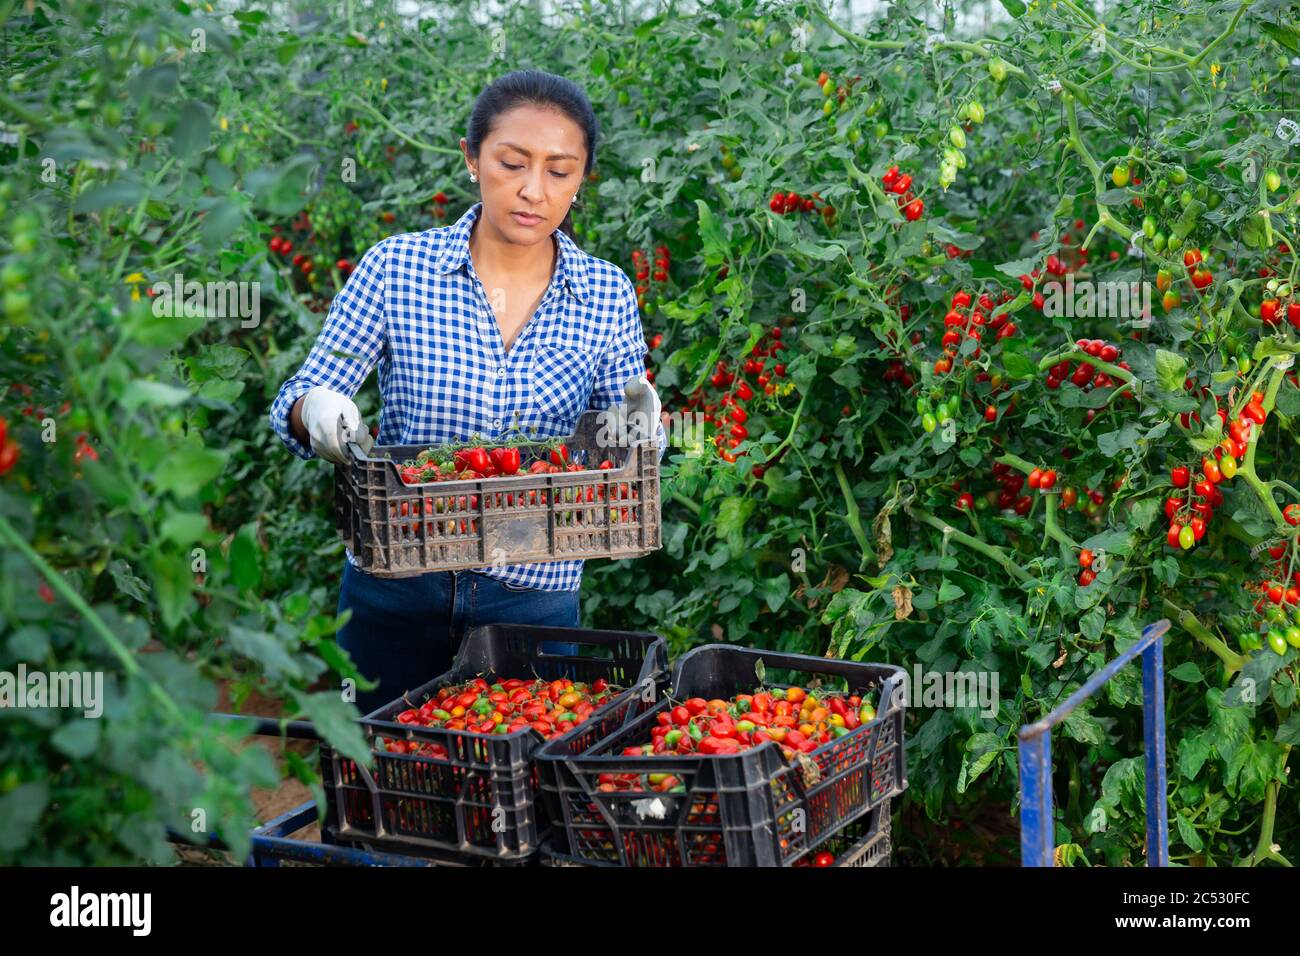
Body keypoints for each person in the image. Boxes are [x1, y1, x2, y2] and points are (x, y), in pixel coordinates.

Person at [268, 70, 668, 714]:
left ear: (582, 179)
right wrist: (316, 411)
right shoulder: (397, 268)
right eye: (512, 162)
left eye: (560, 172)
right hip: (396, 582)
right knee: (379, 780)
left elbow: (613, 439)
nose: (533, 190)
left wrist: (637, 427)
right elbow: (302, 392)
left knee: (515, 786)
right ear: (471, 158)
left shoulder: (606, 292)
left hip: (533, 594)